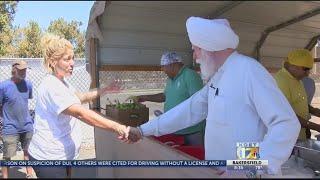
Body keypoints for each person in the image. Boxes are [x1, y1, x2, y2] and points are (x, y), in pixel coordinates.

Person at [125, 17, 301, 177]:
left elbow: (286, 124)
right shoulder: (218, 77)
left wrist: (246, 167)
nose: (194, 57)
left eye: (196, 49)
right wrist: (143, 130)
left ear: (210, 47)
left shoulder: (249, 71)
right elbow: (189, 110)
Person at [27, 34, 130, 178]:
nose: (72, 63)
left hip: (63, 156)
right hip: (50, 159)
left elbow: (80, 98)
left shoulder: (63, 82)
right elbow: (80, 113)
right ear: (53, 62)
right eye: (67, 59)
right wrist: (117, 127)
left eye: (73, 58)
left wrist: (105, 89)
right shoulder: (51, 86)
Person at [131, 52, 205, 146]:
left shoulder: (190, 76)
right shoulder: (170, 79)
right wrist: (145, 97)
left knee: (194, 157)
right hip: (175, 129)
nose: (162, 69)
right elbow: (164, 96)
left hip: (191, 131)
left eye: (164, 66)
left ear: (173, 65)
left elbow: (198, 102)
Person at [274, 49, 320, 141]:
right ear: (293, 66)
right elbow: (287, 114)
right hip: (288, 137)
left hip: (300, 133)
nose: (307, 74)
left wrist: (315, 111)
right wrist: (317, 127)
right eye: (305, 69)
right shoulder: (282, 81)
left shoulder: (297, 79)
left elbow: (298, 101)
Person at [0, 60, 34, 178]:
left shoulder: (28, 84)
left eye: (25, 69)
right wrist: (2, 123)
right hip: (10, 127)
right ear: (14, 70)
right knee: (7, 155)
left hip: (27, 125)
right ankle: (5, 177)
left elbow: (24, 101)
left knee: (28, 152)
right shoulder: (3, 86)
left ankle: (29, 174)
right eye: (21, 69)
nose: (24, 72)